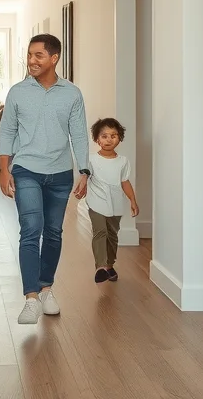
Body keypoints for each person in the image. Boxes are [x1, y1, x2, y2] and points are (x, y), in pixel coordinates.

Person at [0, 33, 90, 324]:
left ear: (54, 58)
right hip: (26, 169)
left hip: (61, 174)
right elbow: (7, 130)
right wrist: (4, 169)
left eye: (38, 55)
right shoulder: (17, 92)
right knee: (31, 229)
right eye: (29, 55)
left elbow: (79, 134)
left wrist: (84, 170)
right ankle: (31, 298)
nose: (31, 60)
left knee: (53, 233)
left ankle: (46, 288)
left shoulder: (72, 94)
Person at [86, 117, 139, 283]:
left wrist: (133, 200)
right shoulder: (91, 159)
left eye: (113, 136)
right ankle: (100, 267)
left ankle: (109, 265)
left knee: (112, 234)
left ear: (119, 138)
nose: (109, 139)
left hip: (116, 203)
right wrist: (80, 189)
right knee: (100, 231)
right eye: (104, 136)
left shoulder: (123, 161)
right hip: (96, 201)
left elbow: (125, 182)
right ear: (97, 139)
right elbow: (84, 177)